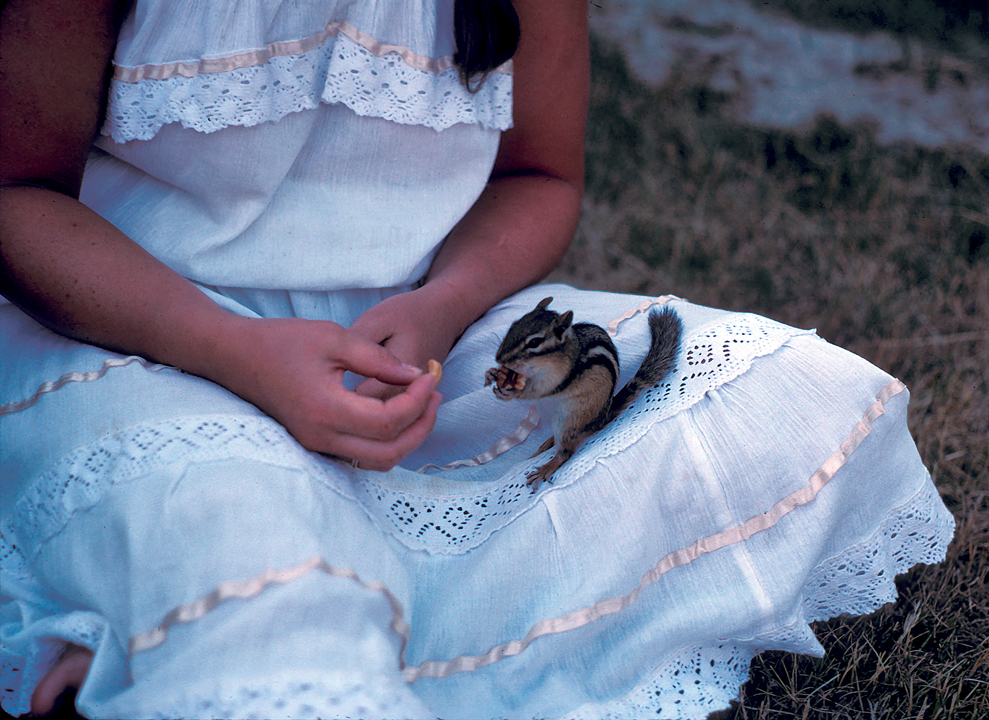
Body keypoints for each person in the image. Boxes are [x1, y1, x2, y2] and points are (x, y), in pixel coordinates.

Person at [0, 0, 955, 718]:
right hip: (145, 346)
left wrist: (438, 308)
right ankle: (200, 622)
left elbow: (541, 172)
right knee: (266, 570)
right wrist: (238, 350)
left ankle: (186, 618)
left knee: (780, 398)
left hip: (422, 344)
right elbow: (15, 197)